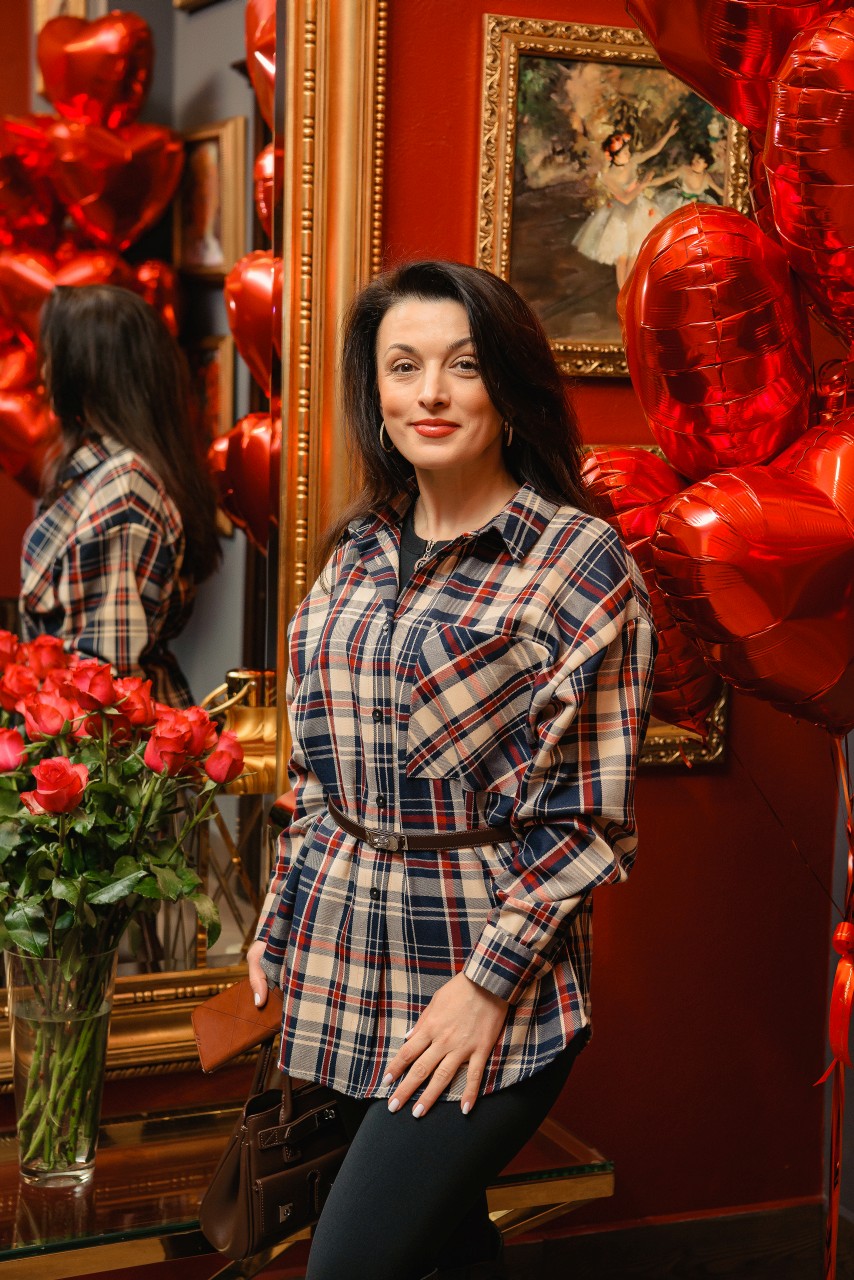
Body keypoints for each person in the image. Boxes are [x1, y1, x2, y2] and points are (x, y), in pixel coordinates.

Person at [248, 260, 656, 1280]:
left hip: (489, 981)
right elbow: (318, 777)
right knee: (443, 1255)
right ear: (376, 391)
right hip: (343, 968)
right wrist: (279, 917)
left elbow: (583, 821)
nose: (429, 393)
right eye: (403, 366)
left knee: (347, 1266)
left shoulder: (576, 564)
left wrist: (484, 987)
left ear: (507, 387)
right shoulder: (354, 553)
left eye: (462, 366)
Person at [19, 284, 221, 706]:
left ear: (88, 369)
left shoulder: (124, 488)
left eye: (54, 357)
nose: (44, 373)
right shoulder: (100, 470)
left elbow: (104, 684)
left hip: (102, 740)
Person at [572, 121, 679, 287]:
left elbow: (653, 150)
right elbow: (625, 198)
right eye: (624, 152)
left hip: (639, 210)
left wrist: (668, 134)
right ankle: (622, 292)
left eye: (628, 151)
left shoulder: (632, 162)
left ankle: (629, 291)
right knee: (621, 258)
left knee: (634, 255)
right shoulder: (608, 176)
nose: (628, 154)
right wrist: (643, 184)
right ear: (614, 156)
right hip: (621, 215)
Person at [642, 144, 725, 216]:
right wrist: (647, 183)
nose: (693, 162)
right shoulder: (684, 169)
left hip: (697, 206)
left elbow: (719, 190)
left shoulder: (706, 177)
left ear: (705, 165)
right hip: (679, 204)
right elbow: (664, 179)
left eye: (697, 161)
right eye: (694, 159)